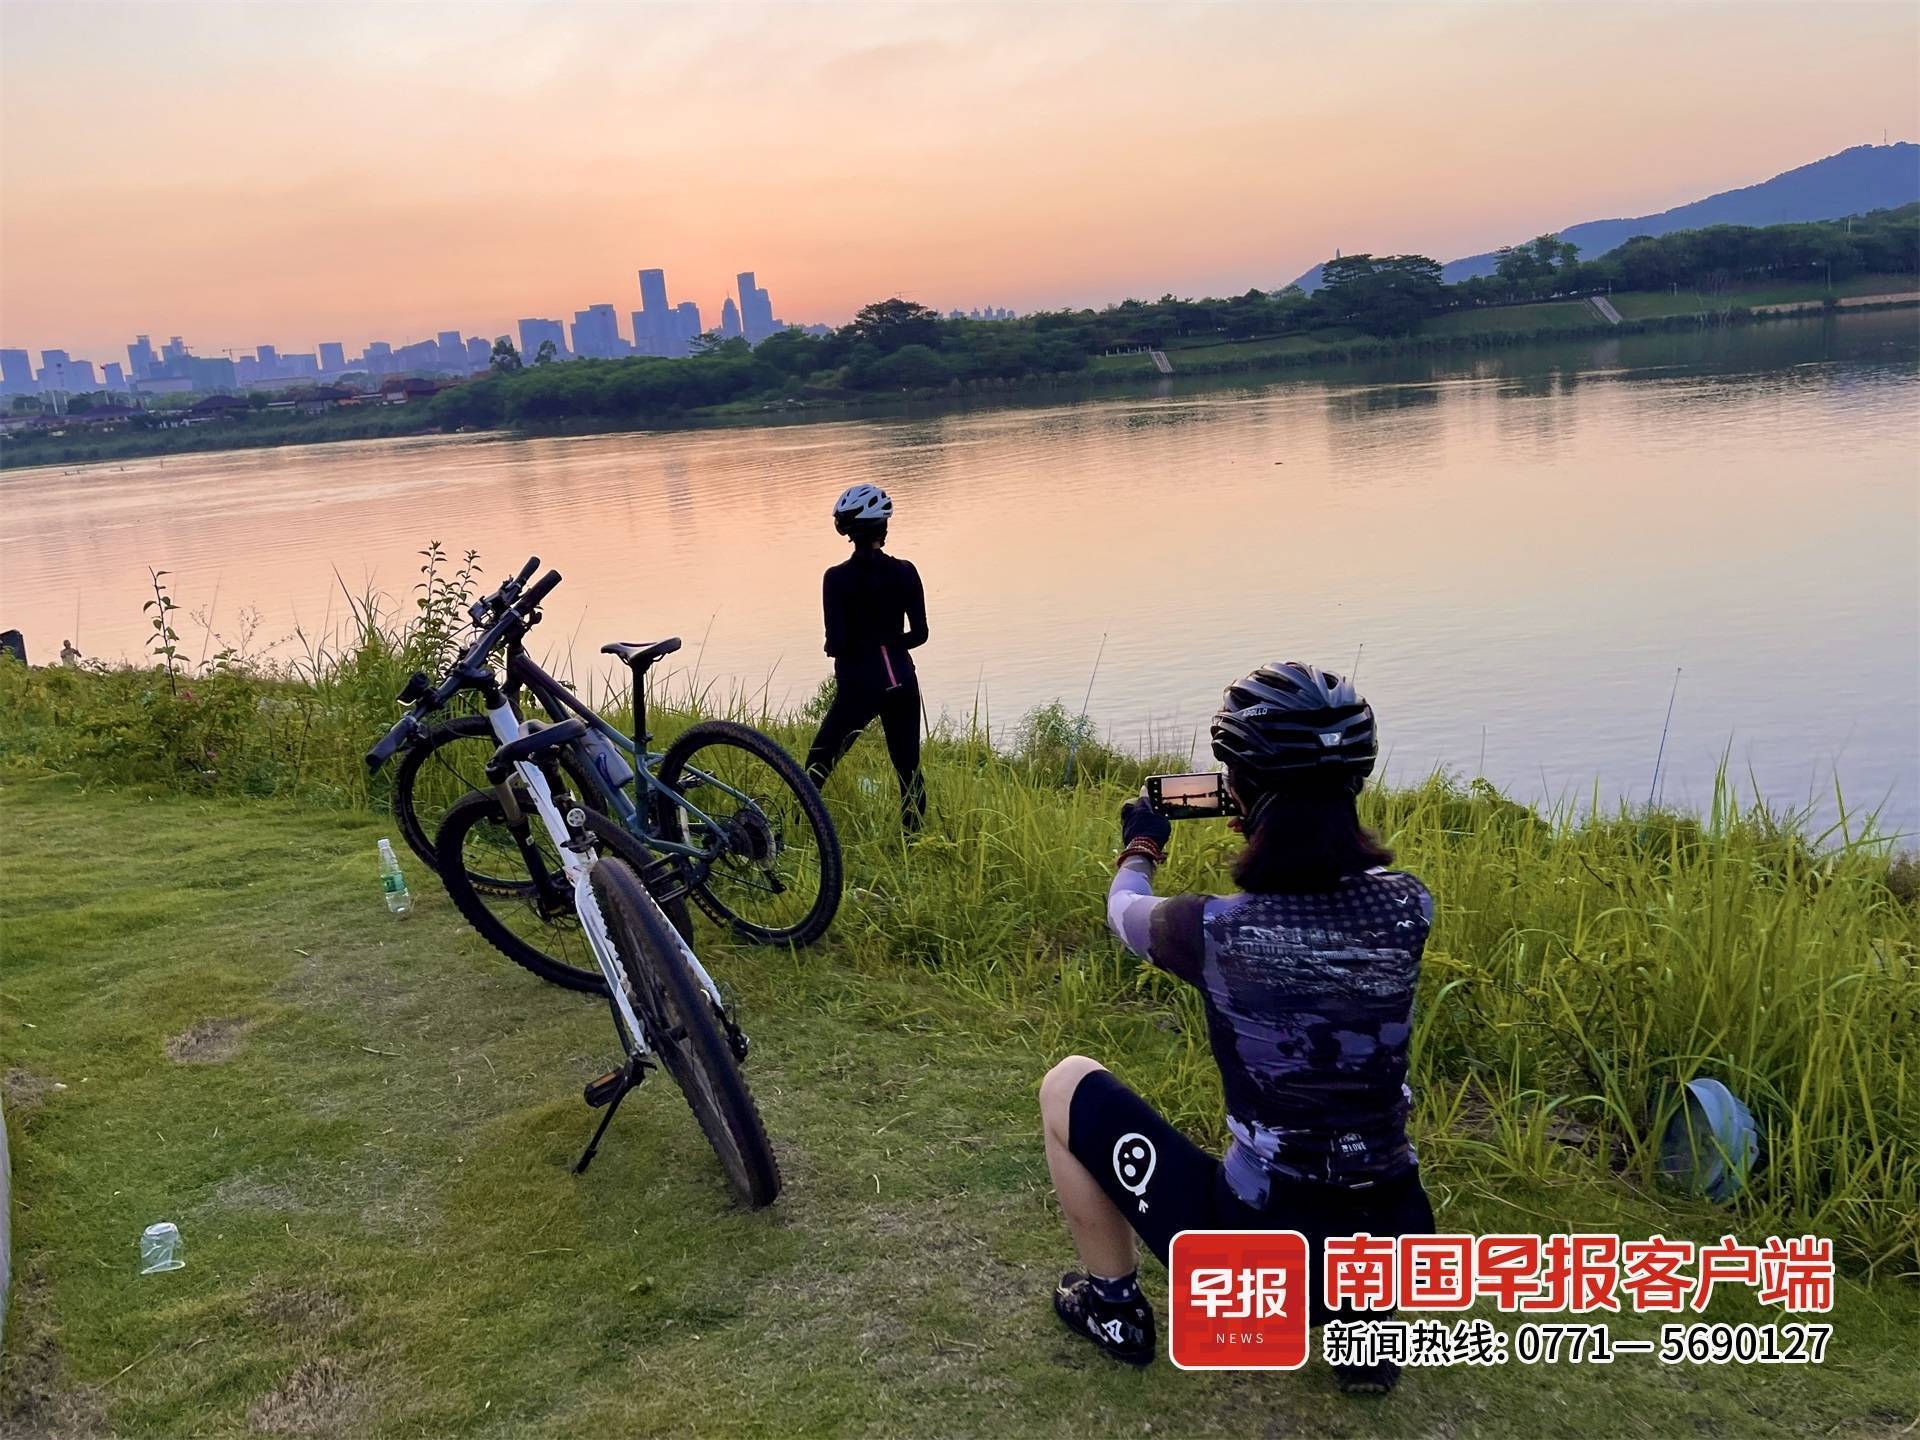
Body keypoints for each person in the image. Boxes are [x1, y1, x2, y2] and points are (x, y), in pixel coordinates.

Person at [1038, 663, 1434, 1393]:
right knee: (1358, 1148)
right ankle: (1366, 1340)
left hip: (1263, 1264)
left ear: (1245, 797)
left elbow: (1122, 908)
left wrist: (1142, 846)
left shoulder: (1212, 931)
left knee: (1066, 1086)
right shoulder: (1411, 907)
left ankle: (1114, 1310)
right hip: (1396, 1240)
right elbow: (1336, 892)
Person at [803, 484, 929, 830]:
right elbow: (920, 635)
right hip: (902, 680)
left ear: (847, 531)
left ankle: (798, 830)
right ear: (883, 528)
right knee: (908, 768)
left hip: (859, 685)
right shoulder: (906, 571)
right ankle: (914, 841)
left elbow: (837, 642)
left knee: (818, 764)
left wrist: (848, 646)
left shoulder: (836, 578)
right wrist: (890, 642)